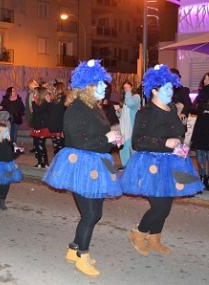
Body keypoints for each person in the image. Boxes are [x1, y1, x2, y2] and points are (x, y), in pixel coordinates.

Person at [43, 59, 122, 277]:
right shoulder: (76, 109)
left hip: (97, 163)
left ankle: (73, 249)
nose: (104, 87)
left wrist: (112, 138)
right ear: (87, 86)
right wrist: (107, 137)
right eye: (100, 84)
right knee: (91, 214)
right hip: (80, 165)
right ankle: (82, 257)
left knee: (94, 213)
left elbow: (99, 139)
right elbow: (78, 141)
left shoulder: (95, 107)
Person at [121, 64, 204, 257]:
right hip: (151, 164)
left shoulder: (172, 108)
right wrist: (164, 142)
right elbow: (138, 142)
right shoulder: (145, 112)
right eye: (166, 88)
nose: (171, 92)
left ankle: (155, 237)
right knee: (160, 206)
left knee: (166, 206)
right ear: (154, 90)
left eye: (171, 88)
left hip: (172, 162)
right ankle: (139, 233)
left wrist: (180, 145)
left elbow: (178, 133)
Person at [0, 112, 22, 210]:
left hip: (3, 163)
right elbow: (8, 155)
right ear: (3, 132)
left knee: (6, 184)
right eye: (6, 131)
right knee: (5, 184)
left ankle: (1, 200)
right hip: (4, 164)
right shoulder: (3, 143)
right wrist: (18, 153)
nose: (8, 132)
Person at [118, 81, 141, 168]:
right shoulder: (125, 100)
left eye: (128, 87)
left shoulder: (136, 97)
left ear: (131, 88)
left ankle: (136, 167)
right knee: (123, 148)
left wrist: (128, 93)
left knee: (133, 148)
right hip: (123, 127)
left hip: (131, 127)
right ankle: (126, 166)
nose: (126, 89)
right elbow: (123, 114)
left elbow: (130, 104)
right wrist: (119, 112)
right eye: (125, 88)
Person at [31, 86, 52, 168]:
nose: (34, 94)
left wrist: (33, 102)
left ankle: (45, 162)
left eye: (35, 92)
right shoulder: (38, 103)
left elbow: (37, 110)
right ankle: (40, 162)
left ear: (40, 94)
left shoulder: (45, 103)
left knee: (41, 145)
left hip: (42, 127)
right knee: (37, 145)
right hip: (37, 127)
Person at [48, 81, 66, 155]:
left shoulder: (64, 99)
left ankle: (60, 160)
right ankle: (57, 159)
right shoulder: (54, 99)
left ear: (58, 89)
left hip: (59, 125)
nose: (53, 89)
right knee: (56, 145)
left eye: (54, 88)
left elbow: (64, 114)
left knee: (60, 146)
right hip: (54, 124)